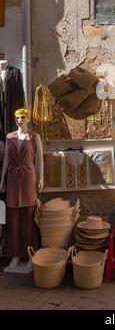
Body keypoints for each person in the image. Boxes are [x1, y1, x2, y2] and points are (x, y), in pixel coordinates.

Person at [0, 108, 43, 273]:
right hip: (12, 178)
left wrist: (41, 178)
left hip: (29, 177)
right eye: (17, 117)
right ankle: (15, 256)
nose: (19, 119)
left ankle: (32, 256)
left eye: (22, 117)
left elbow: (39, 158)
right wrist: (2, 179)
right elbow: (7, 159)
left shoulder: (34, 137)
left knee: (30, 218)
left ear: (28, 118)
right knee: (13, 219)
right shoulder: (10, 136)